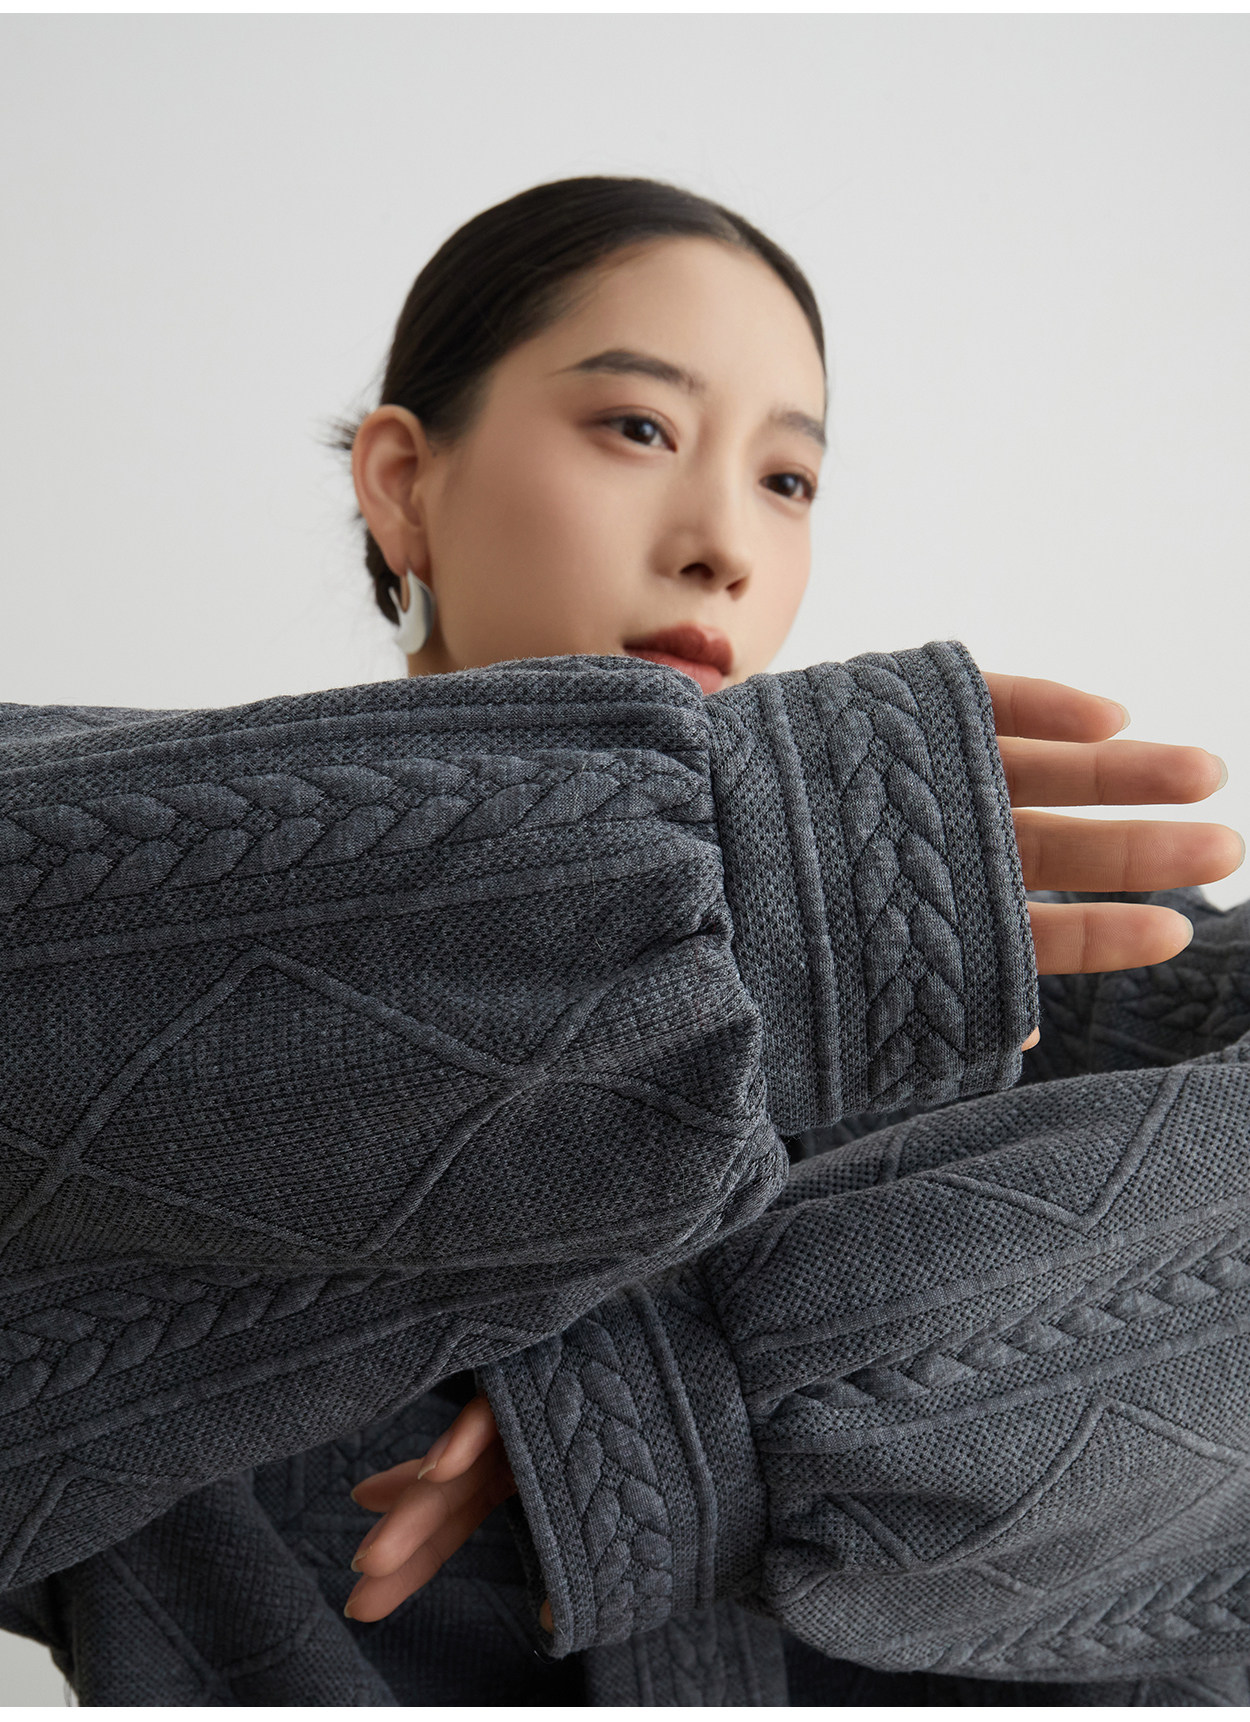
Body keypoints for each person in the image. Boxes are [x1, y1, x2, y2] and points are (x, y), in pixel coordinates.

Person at [0, 176, 1244, 1706]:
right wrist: (602, 872)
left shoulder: (1004, 992)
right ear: (403, 481)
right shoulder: (119, 934)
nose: (723, 542)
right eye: (638, 427)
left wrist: (680, 1398)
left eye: (786, 479)